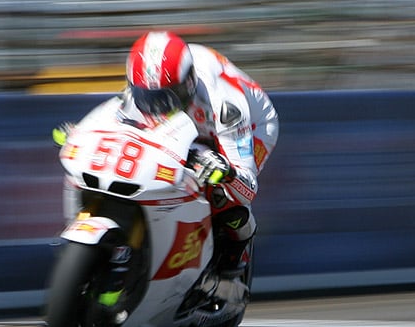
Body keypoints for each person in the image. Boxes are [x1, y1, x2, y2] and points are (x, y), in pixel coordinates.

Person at [54, 31, 279, 279]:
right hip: (181, 99)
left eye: (169, 96)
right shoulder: (141, 87)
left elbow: (247, 186)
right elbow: (117, 120)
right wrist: (83, 135)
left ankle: (235, 261)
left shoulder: (225, 106)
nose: (157, 107)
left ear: (189, 84)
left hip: (252, 125)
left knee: (225, 197)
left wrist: (228, 171)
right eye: (148, 98)